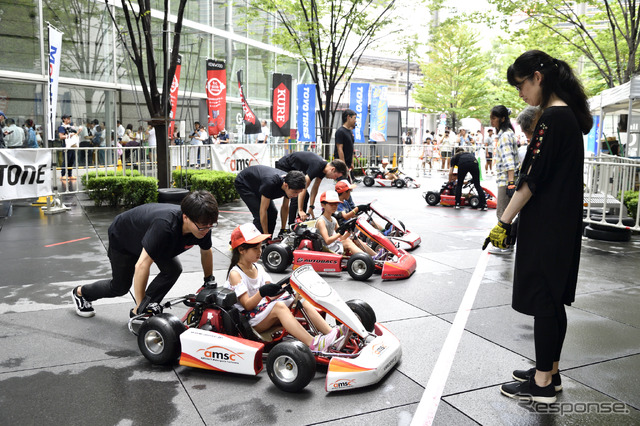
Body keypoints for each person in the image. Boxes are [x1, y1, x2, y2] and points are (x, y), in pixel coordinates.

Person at [483, 50, 593, 405]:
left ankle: (542, 384)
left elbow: (530, 180)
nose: (521, 95)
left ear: (537, 77)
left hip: (547, 225)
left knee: (545, 301)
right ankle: (551, 370)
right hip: (562, 224)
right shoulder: (569, 118)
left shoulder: (551, 120)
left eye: (521, 85)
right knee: (554, 299)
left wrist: (503, 221)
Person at [70, 190, 219, 318]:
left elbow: (206, 251)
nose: (206, 230)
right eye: (202, 227)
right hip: (125, 237)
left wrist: (208, 280)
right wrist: (138, 308)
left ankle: (149, 306)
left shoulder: (203, 225)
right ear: (186, 217)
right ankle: (80, 293)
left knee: (173, 269)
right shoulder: (165, 226)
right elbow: (142, 265)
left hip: (152, 237)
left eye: (210, 225)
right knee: (120, 287)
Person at [224, 223, 347, 351]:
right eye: (255, 249)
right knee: (279, 307)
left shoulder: (258, 268)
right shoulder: (235, 274)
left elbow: (272, 291)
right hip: (250, 320)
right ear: (241, 250)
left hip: (262, 312)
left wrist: (288, 289)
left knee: (298, 299)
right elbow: (248, 305)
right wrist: (261, 293)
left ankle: (332, 334)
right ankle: (314, 344)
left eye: (260, 247)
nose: (260, 252)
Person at [275, 151, 347, 222]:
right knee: (296, 194)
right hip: (284, 166)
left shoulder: (324, 169)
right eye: (336, 176)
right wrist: (300, 210)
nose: (334, 179)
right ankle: (291, 224)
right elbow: (303, 187)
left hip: (295, 169)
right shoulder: (317, 166)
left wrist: (311, 207)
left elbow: (315, 188)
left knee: (305, 195)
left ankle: (300, 220)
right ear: (332, 169)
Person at [234, 165, 306, 235]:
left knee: (273, 213)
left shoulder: (291, 182)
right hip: (245, 183)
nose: (296, 196)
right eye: (295, 192)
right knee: (259, 216)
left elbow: (285, 206)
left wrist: (283, 229)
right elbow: (263, 210)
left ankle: (268, 239)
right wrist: (265, 234)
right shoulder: (271, 183)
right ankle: (257, 242)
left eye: (298, 193)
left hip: (260, 184)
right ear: (286, 185)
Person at [490, 104, 520, 253]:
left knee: (503, 213)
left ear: (502, 118)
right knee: (506, 212)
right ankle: (507, 243)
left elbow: (509, 161)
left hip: (506, 180)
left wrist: (510, 183)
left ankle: (505, 245)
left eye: (494, 118)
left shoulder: (505, 135)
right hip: (507, 179)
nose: (491, 121)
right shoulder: (507, 133)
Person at [315, 191, 376, 256]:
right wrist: (340, 232)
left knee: (354, 239)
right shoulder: (321, 221)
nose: (334, 206)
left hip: (332, 244)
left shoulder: (333, 219)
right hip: (325, 247)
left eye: (336, 204)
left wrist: (349, 230)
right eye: (331, 204)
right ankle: (367, 259)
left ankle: (375, 256)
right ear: (323, 205)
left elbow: (342, 238)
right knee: (347, 242)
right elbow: (327, 241)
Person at [334, 109, 356, 183]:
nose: (355, 120)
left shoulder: (350, 132)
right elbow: (340, 149)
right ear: (348, 117)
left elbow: (351, 148)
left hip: (348, 165)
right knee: (342, 187)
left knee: (348, 188)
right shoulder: (340, 131)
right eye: (354, 118)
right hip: (341, 165)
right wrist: (343, 165)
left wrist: (352, 163)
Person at [58, 114, 80, 180]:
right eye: (67, 118)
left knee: (71, 160)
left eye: (69, 119)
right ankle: (63, 174)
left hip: (72, 145)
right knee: (66, 160)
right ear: (64, 119)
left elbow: (75, 134)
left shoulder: (70, 127)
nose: (69, 120)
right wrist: (68, 136)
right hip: (66, 146)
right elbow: (61, 136)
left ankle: (70, 175)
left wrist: (78, 131)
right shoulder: (62, 127)